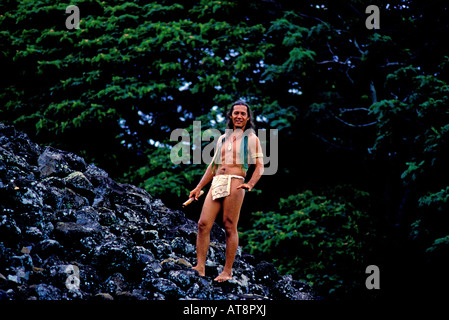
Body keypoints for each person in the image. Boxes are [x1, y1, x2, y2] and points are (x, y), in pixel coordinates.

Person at [189, 100, 264, 282]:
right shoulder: (223, 138)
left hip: (236, 182)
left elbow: (260, 166)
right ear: (231, 116)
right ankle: (200, 266)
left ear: (247, 118)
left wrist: (251, 184)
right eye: (236, 113)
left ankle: (227, 271)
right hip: (217, 182)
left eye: (243, 114)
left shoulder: (251, 138)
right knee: (203, 224)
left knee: (229, 226)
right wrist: (199, 187)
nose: (239, 116)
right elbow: (213, 166)